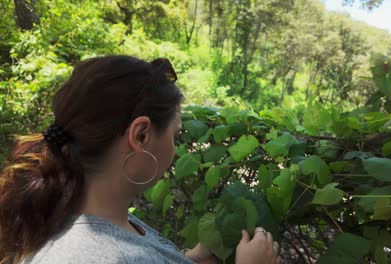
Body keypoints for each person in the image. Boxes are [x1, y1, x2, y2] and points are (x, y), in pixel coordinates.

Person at [0, 55, 281, 264]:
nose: (175, 149)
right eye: (175, 135)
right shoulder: (94, 255)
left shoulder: (76, 219)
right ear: (142, 135)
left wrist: (188, 259)